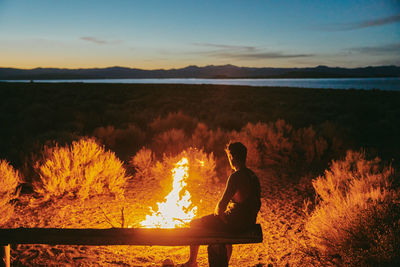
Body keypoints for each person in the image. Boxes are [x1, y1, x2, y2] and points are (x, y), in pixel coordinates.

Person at [182, 142, 261, 267]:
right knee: (223, 234)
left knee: (194, 224)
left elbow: (220, 207)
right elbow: (257, 204)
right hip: (248, 223)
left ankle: (192, 262)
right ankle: (224, 262)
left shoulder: (236, 177)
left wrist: (221, 216)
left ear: (232, 158)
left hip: (235, 224)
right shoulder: (253, 176)